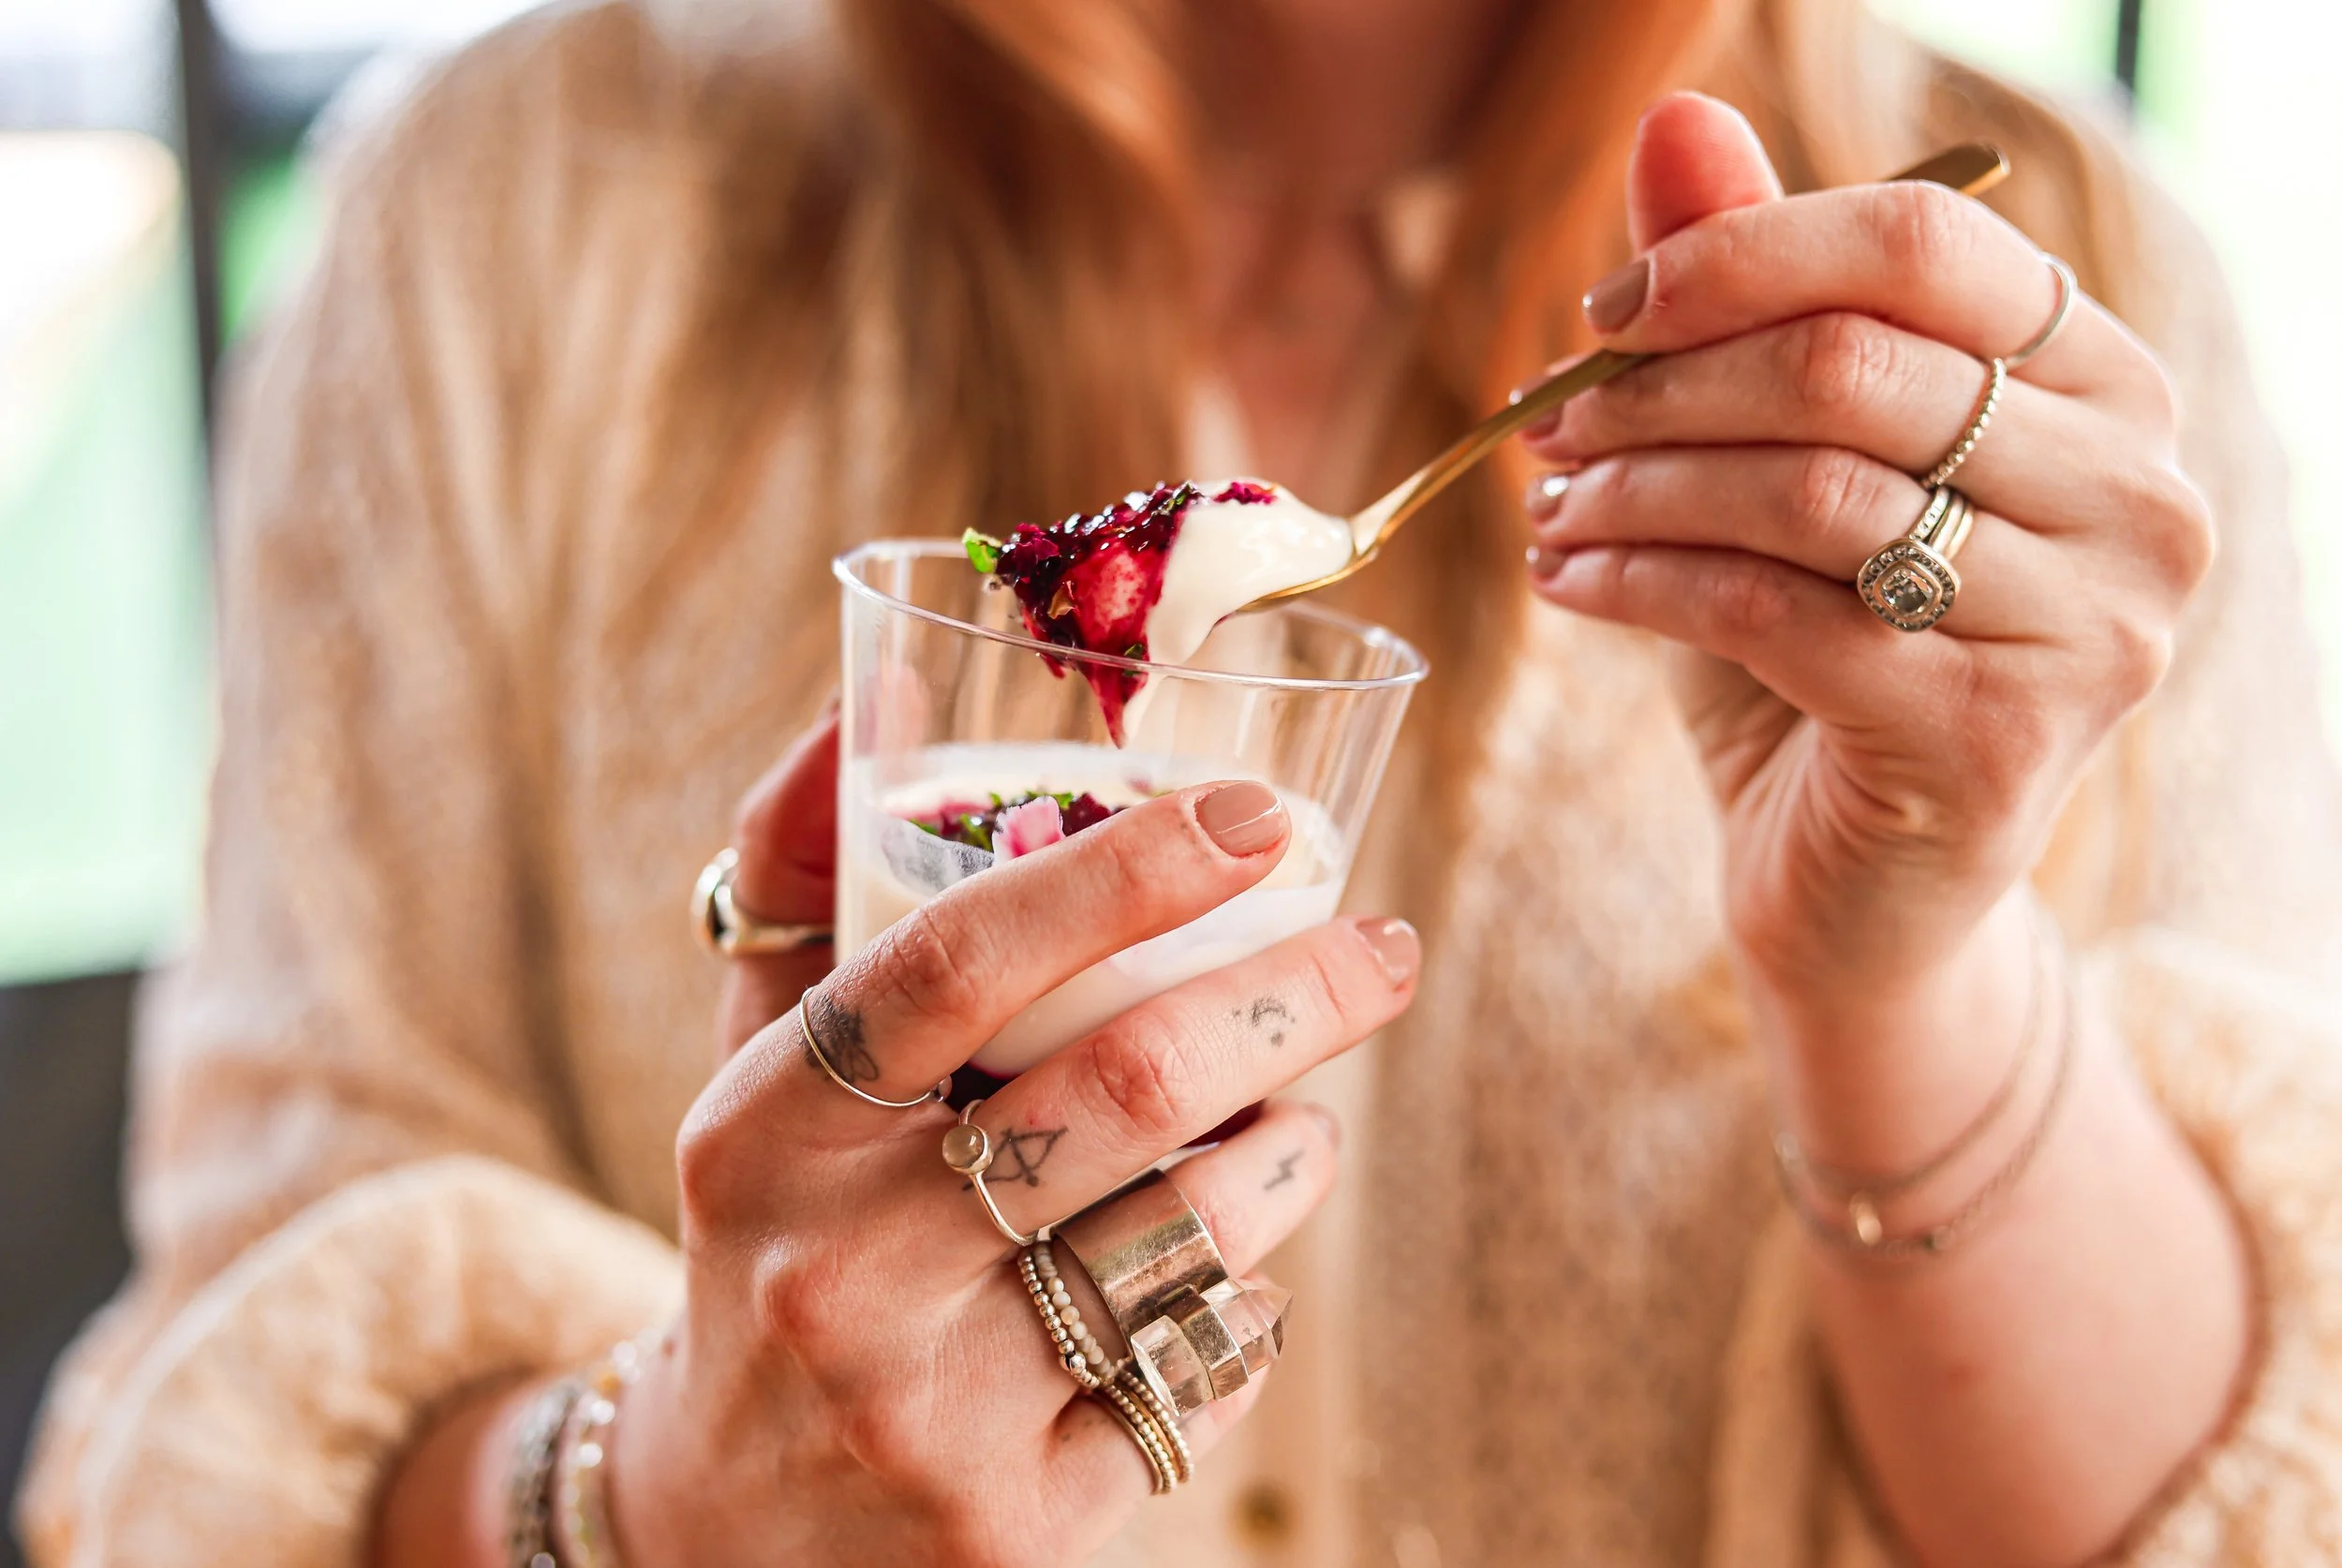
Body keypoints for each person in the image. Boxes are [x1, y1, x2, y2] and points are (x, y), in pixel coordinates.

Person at [20, 0, 2342, 1561]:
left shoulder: (2040, 297)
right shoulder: (517, 226)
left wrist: (1907, 962)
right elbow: (237, 1382)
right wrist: (648, 1489)